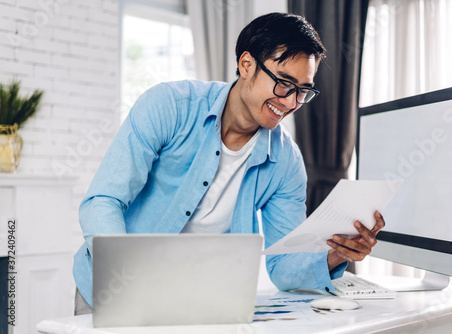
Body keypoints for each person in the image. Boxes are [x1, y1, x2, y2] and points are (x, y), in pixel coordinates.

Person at [73, 12, 385, 315]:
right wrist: (123, 277)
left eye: (303, 91)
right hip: (113, 290)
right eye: (284, 83)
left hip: (199, 302)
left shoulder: (286, 162)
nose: (291, 102)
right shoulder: (169, 106)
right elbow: (102, 202)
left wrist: (334, 255)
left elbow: (283, 266)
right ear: (246, 64)